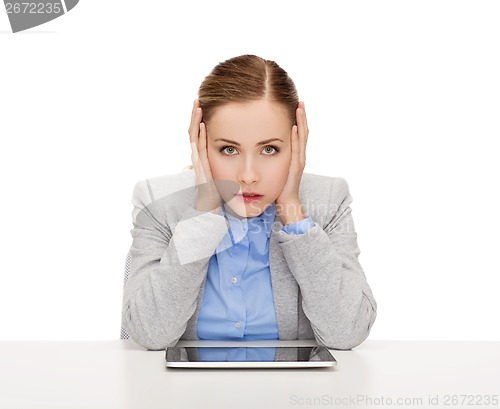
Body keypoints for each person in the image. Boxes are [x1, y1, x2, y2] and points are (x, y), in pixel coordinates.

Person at [122, 54, 377, 351]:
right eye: (228, 149)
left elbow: (347, 332)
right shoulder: (157, 202)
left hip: (291, 392)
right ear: (200, 145)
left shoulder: (328, 200)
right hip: (186, 395)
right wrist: (204, 209)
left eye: (269, 149)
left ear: (297, 144)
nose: (248, 175)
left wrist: (293, 212)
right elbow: (150, 334)